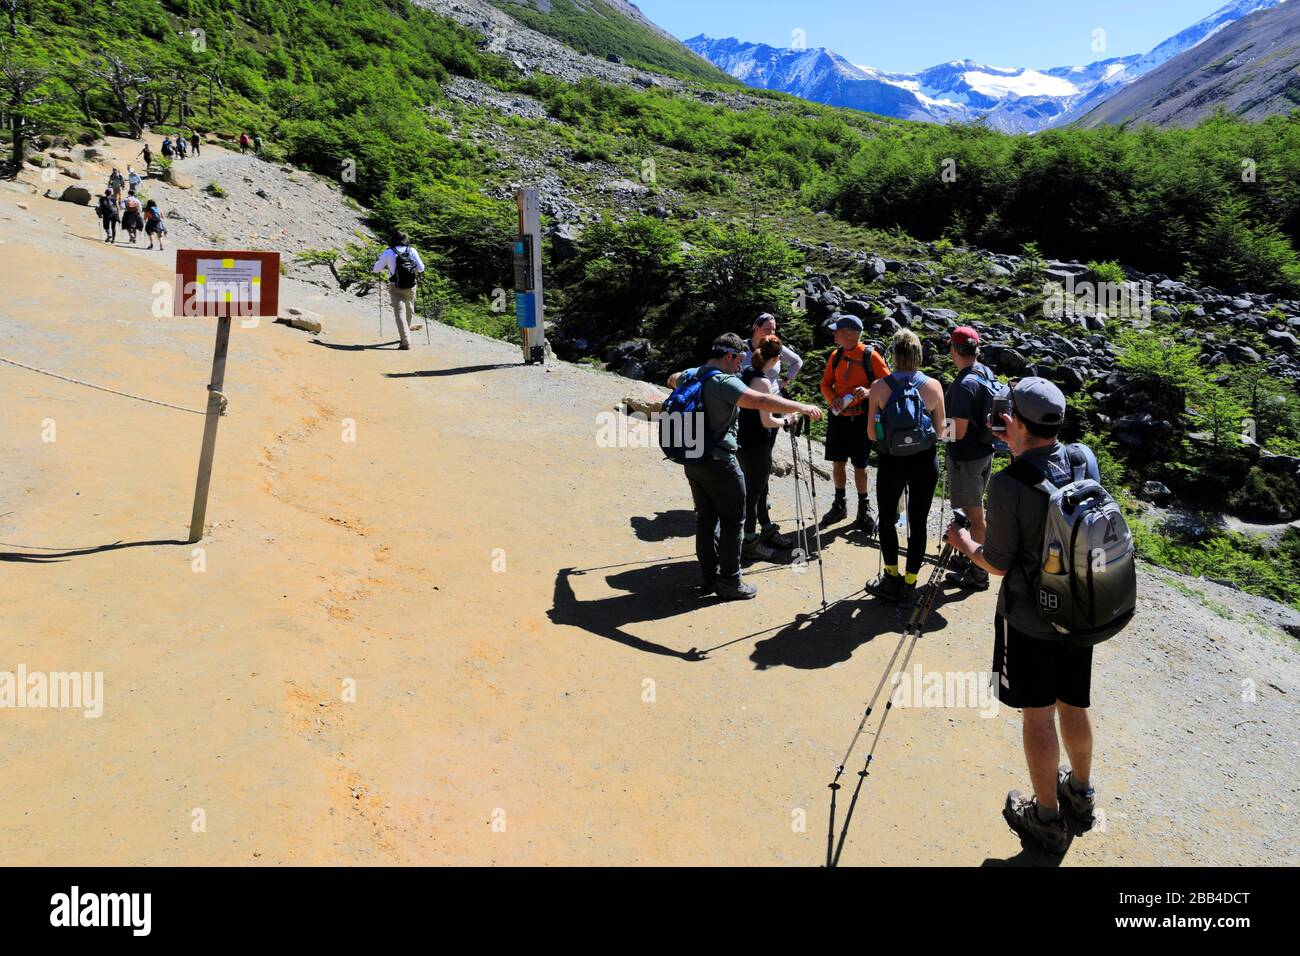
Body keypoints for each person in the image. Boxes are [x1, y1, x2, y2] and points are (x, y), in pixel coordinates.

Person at [943, 378, 1102, 854]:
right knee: (1074, 702)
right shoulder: (1081, 457)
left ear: (1013, 421)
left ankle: (1047, 818)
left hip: (1032, 621)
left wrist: (962, 542)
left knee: (1039, 714)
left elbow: (997, 563)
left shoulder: (1009, 483)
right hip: (1080, 610)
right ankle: (1081, 792)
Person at [667, 333, 823, 600]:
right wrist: (803, 407)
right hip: (720, 462)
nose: (740, 366)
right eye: (739, 359)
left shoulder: (691, 374)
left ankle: (708, 577)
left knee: (705, 519)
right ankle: (730, 581)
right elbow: (761, 401)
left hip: (692, 459)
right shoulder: (723, 382)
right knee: (733, 521)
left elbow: (672, 378)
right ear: (728, 356)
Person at [861, 329, 945, 608]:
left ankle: (891, 577)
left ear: (894, 356)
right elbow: (942, 431)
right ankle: (910, 584)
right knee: (918, 523)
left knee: (887, 519)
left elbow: (872, 435)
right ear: (918, 354)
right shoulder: (933, 386)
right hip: (924, 462)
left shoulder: (879, 387)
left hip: (891, 462)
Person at [818, 314, 891, 533]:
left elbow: (888, 386)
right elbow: (825, 384)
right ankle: (840, 505)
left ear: (849, 334)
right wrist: (834, 401)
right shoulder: (836, 355)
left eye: (837, 330)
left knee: (861, 465)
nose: (834, 334)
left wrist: (869, 392)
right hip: (838, 417)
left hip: (861, 419)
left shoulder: (871, 356)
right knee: (838, 462)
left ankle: (863, 508)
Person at [944, 326, 1000, 591]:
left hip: (966, 459)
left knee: (975, 517)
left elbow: (959, 430)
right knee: (973, 511)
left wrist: (935, 428)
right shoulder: (985, 372)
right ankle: (970, 558)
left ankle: (979, 574)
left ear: (954, 349)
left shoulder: (965, 384)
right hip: (984, 452)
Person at [737, 335, 798, 560]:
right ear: (777, 358)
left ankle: (767, 528)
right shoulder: (762, 381)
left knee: (760, 488)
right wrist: (787, 420)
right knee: (753, 493)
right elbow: (767, 420)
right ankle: (750, 542)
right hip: (757, 442)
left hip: (744, 440)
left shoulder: (747, 373)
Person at [371, 233, 425, 350]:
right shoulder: (412, 250)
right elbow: (421, 268)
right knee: (409, 309)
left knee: (399, 313)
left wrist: (380, 261)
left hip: (395, 286)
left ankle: (405, 340)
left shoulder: (388, 252)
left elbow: (376, 270)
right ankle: (405, 335)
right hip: (411, 285)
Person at [740, 313, 803, 391]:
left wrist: (786, 381)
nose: (771, 333)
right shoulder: (740, 346)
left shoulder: (776, 347)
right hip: (746, 398)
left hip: (773, 396)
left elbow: (797, 361)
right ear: (756, 328)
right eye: (767, 329)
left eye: (773, 329)